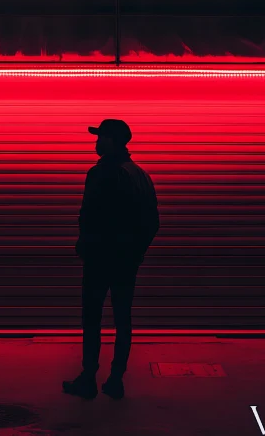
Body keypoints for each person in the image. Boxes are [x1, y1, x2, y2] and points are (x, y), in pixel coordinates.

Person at [62, 119, 159, 400]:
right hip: (125, 262)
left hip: (100, 260)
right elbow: (152, 221)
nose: (96, 142)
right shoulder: (140, 174)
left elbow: (91, 216)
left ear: (112, 140)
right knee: (122, 318)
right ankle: (116, 379)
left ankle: (88, 377)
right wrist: (136, 254)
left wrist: (85, 244)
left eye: (100, 137)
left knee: (92, 318)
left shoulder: (103, 172)